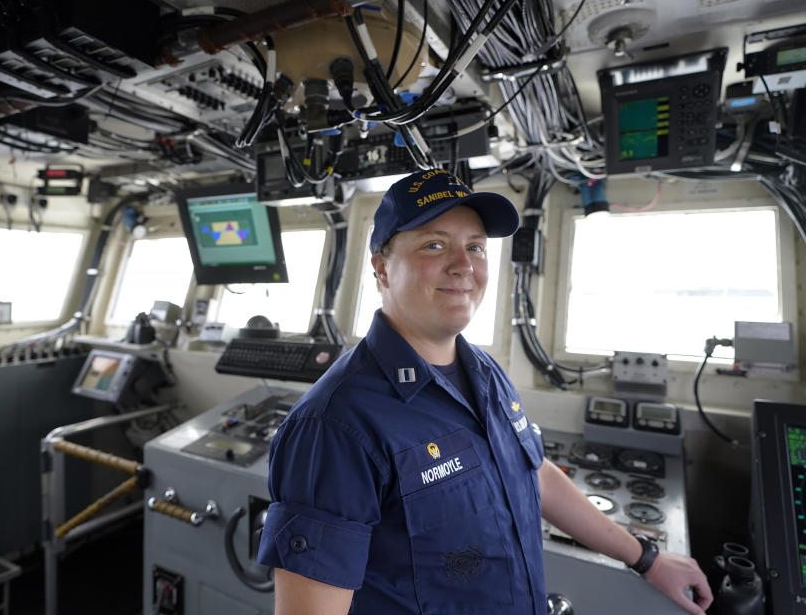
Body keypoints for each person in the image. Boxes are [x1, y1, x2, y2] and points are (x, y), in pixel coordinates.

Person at [257, 168, 713, 615]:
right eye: (434, 245)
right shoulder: (334, 425)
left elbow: (533, 472)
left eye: (475, 247)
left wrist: (646, 558)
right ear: (381, 268)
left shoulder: (484, 372)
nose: (463, 266)